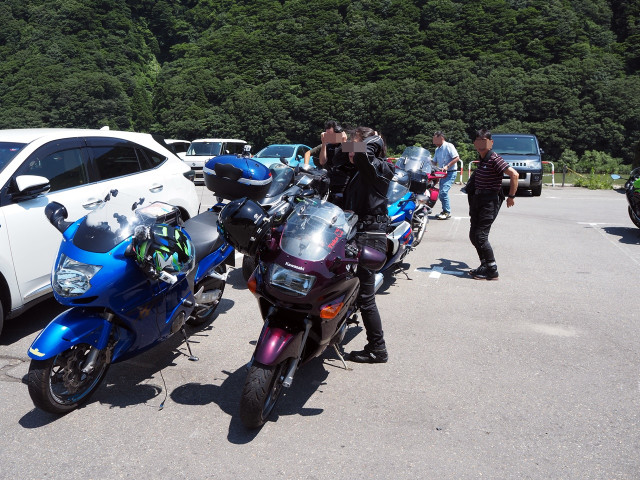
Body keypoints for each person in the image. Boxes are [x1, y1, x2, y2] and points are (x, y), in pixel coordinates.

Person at [331, 126, 394, 363]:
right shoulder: (358, 169)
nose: (351, 150)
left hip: (370, 235)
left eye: (356, 144)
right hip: (355, 233)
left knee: (366, 297)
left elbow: (360, 155)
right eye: (351, 144)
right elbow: (337, 158)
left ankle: (378, 348)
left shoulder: (379, 168)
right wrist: (339, 142)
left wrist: (374, 139)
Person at [467, 128, 519, 280]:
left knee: (481, 236)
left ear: (491, 143)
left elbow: (514, 174)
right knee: (473, 235)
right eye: (478, 141)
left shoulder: (495, 159)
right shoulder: (483, 158)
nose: (480, 144)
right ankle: (484, 265)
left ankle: (492, 270)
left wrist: (511, 196)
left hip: (489, 202)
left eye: (484, 141)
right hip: (478, 200)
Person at [432, 131, 460, 220]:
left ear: (441, 138)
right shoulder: (437, 149)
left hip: (450, 172)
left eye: (436, 139)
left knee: (443, 192)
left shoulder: (449, 146)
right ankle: (444, 211)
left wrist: (447, 166)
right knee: (441, 193)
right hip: (441, 174)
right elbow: (434, 162)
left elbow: (457, 158)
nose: (434, 142)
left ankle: (447, 212)